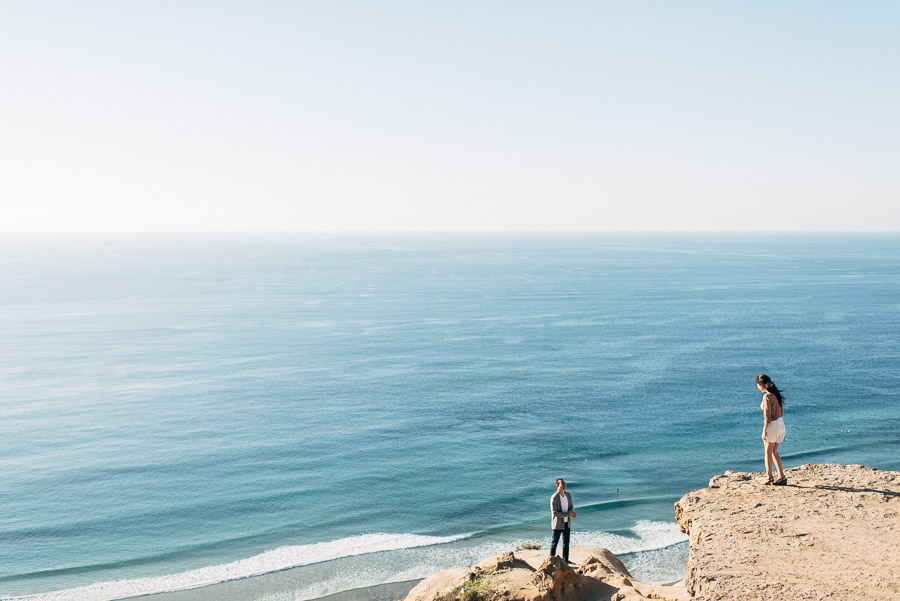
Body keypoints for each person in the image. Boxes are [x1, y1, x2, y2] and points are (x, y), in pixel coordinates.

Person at [756, 374, 787, 485]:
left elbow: (767, 417)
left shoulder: (767, 397)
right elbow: (782, 412)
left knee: (768, 452)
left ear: (761, 385)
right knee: (774, 452)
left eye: (758, 384)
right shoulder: (776, 395)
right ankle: (781, 476)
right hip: (780, 424)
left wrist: (764, 431)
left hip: (773, 425)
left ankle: (769, 478)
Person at [550, 478, 576, 561]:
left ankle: (565, 561)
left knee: (566, 543)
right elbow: (555, 513)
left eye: (564, 483)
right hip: (558, 524)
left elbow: (571, 506)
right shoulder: (554, 497)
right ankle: (552, 561)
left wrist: (572, 513)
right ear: (557, 485)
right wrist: (568, 514)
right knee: (554, 543)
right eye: (561, 483)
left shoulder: (568, 495)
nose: (564, 485)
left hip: (567, 523)